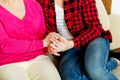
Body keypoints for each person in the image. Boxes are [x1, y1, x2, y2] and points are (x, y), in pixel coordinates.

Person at [37, 0, 120, 80]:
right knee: (71, 77)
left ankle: (104, 63)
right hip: (68, 49)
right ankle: (112, 61)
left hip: (94, 40)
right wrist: (52, 45)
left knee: (95, 70)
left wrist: (71, 43)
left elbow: (95, 28)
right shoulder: (42, 2)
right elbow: (46, 30)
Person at [0, 0, 61, 80]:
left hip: (37, 57)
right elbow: (5, 45)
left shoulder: (34, 4)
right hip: (7, 62)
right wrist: (43, 43)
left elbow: (41, 36)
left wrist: (49, 46)